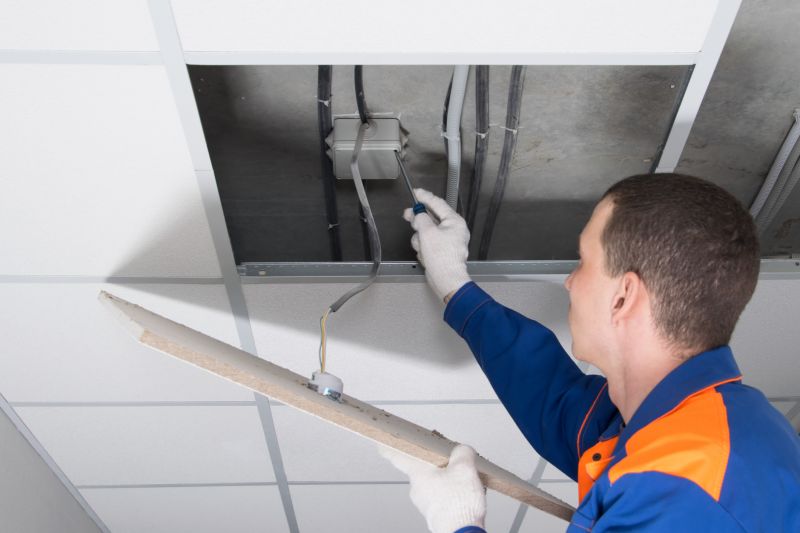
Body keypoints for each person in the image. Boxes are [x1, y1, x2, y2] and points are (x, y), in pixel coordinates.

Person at [382, 174, 800, 532]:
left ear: (623, 298)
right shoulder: (686, 421)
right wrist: (453, 281)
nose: (569, 281)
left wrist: (459, 524)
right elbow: (553, 398)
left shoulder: (683, 489)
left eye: (582, 262)